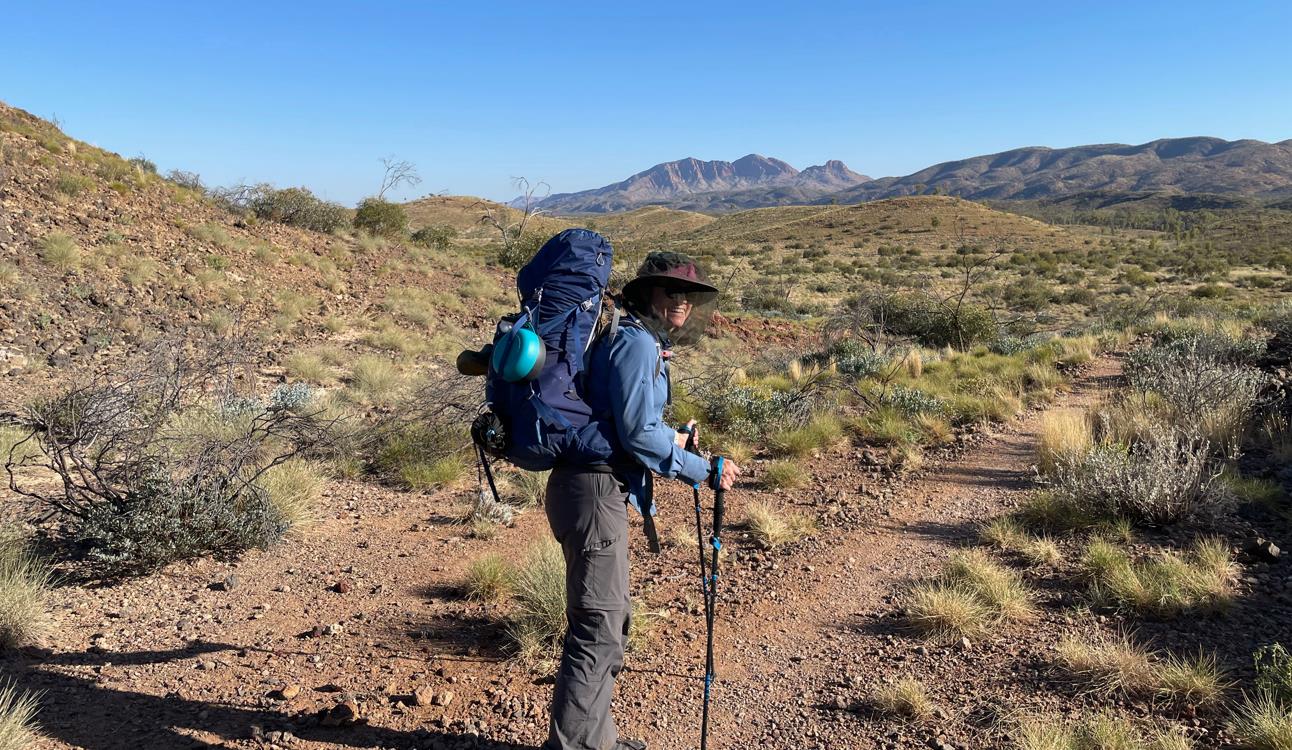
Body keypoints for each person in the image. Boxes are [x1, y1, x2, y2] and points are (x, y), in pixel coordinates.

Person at [541, 252, 742, 750]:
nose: (680, 302)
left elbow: (629, 423)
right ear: (647, 294)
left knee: (608, 618)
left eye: (687, 295)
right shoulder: (634, 344)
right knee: (598, 625)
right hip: (593, 491)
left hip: (594, 489)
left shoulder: (638, 341)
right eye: (669, 291)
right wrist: (703, 471)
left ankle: (597, 740)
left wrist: (674, 438)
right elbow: (635, 434)